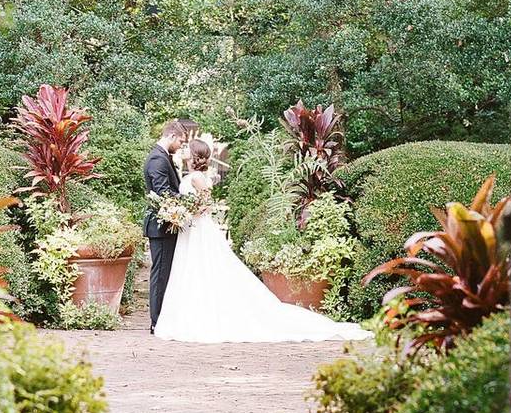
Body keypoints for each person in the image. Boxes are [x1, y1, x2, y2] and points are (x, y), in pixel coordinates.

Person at [153, 139, 372, 343]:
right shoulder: (189, 176)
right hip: (191, 230)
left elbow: (207, 203)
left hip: (199, 229)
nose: (183, 152)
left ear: (194, 155)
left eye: (186, 150)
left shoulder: (198, 178)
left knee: (204, 268)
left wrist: (190, 211)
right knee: (191, 270)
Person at [143, 119, 189, 334]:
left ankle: (163, 318)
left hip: (168, 225)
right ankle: (156, 321)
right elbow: (163, 193)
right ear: (171, 136)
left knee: (166, 273)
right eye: (180, 140)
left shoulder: (164, 157)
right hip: (160, 228)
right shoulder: (157, 159)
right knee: (160, 274)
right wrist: (189, 200)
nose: (181, 145)